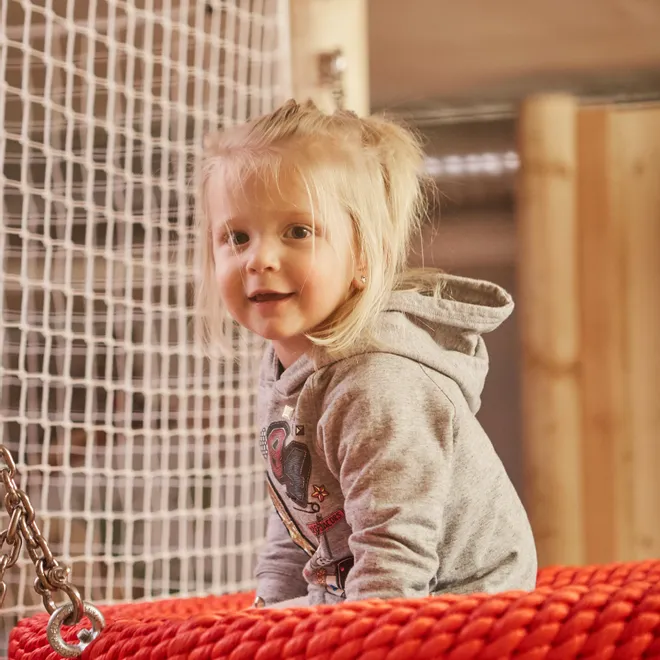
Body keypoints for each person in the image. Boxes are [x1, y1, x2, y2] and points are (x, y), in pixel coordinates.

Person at [194, 98, 537, 608]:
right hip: (359, 593)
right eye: (236, 236)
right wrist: (262, 619)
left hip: (461, 604)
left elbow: (393, 558)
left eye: (298, 231)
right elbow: (297, 520)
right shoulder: (288, 374)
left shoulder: (376, 384)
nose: (259, 259)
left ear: (361, 257)